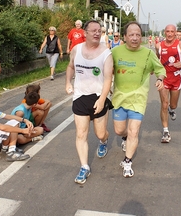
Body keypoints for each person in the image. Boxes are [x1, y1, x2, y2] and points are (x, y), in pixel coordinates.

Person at [111, 21, 166, 178]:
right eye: (131, 35)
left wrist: (160, 79)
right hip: (119, 98)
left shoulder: (148, 54)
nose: (135, 38)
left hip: (138, 99)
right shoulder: (115, 52)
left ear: (141, 36)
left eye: (137, 35)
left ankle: (127, 161)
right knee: (119, 130)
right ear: (124, 36)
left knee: (134, 131)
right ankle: (125, 137)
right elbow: (107, 70)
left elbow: (160, 69)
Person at [65, 19, 113, 184]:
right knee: (81, 134)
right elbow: (71, 66)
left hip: (98, 96)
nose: (97, 33)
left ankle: (104, 141)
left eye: (99, 30)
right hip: (80, 96)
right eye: (93, 30)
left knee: (100, 133)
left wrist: (101, 99)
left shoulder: (106, 53)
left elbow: (108, 79)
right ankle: (84, 166)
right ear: (85, 33)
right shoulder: (76, 50)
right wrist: (67, 82)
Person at [156, 25, 181, 143]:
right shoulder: (158, 45)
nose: (170, 33)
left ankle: (172, 110)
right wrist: (155, 68)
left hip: (176, 78)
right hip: (164, 78)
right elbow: (158, 58)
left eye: (172, 31)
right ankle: (166, 132)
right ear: (164, 32)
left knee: (172, 105)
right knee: (164, 104)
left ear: (175, 32)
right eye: (167, 31)